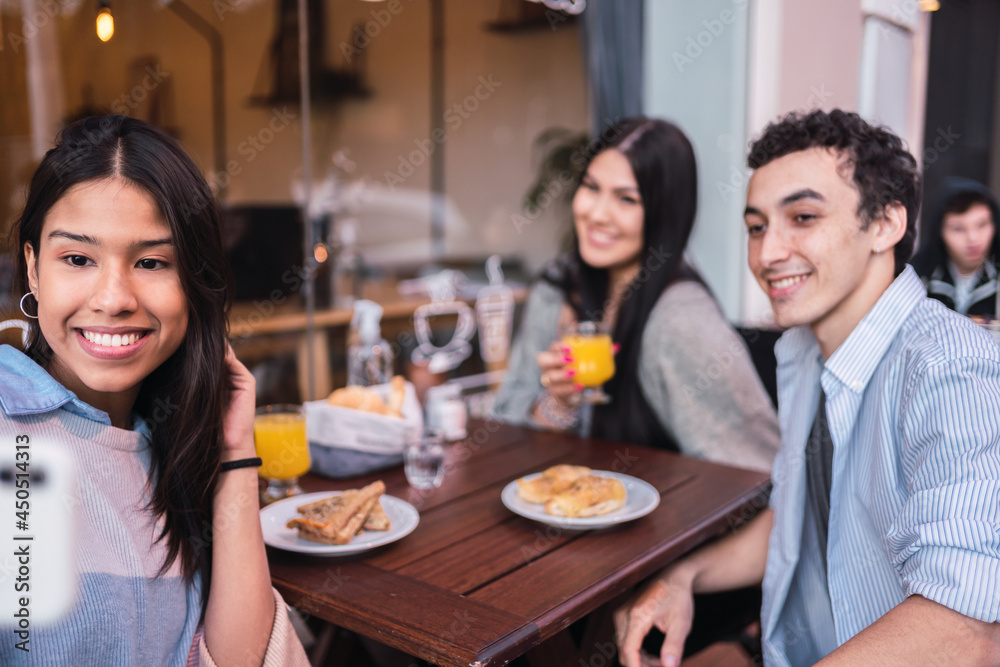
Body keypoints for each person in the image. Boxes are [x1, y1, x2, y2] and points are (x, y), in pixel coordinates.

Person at [614, 109, 1000, 667]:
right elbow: (796, 521)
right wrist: (684, 575)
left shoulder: (952, 368)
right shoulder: (804, 353)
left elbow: (966, 629)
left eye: (802, 216)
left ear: (886, 224)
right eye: (756, 226)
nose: (768, 253)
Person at [0, 116, 308, 665]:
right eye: (77, 258)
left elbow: (240, 660)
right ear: (33, 269)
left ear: (193, 282)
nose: (114, 297)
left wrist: (235, 449)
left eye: (151, 262)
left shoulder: (170, 438)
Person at [493, 117, 779, 472]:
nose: (597, 213)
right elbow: (503, 431)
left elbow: (756, 472)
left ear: (665, 214)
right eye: (591, 187)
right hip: (556, 511)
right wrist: (558, 404)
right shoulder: (557, 289)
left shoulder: (680, 320)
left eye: (626, 199)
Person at [911, 176, 999, 317]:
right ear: (940, 232)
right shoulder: (918, 278)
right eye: (958, 229)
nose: (973, 239)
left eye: (982, 225)